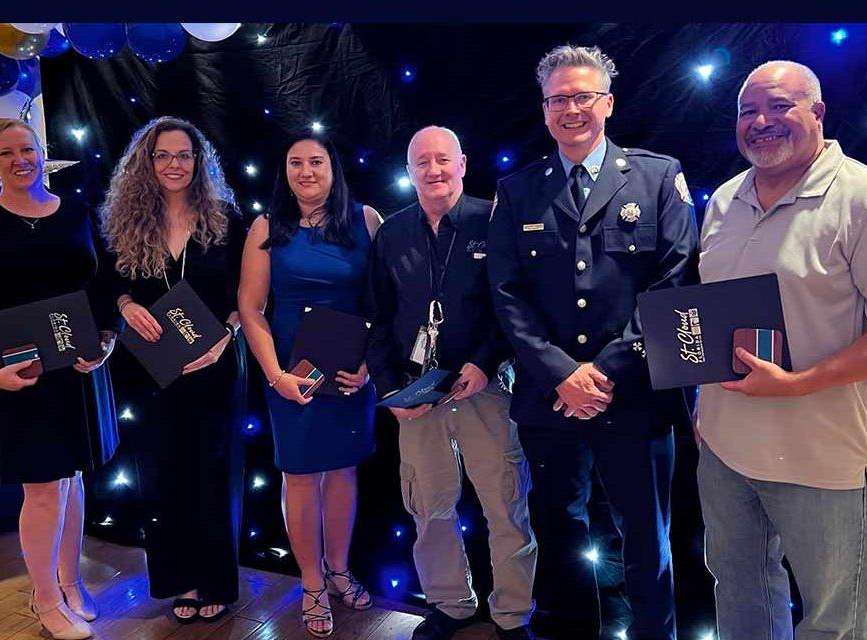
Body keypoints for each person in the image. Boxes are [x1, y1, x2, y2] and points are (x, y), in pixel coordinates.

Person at [486, 45, 699, 640]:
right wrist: (561, 373)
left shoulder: (658, 177)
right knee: (560, 534)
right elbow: (506, 292)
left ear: (608, 103)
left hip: (634, 394)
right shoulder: (517, 190)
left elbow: (675, 280)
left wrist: (604, 373)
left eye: (583, 96)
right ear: (544, 109)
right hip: (550, 401)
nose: (571, 109)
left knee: (647, 538)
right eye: (558, 99)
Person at [696, 60, 867, 640]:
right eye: (748, 111)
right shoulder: (726, 199)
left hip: (824, 460)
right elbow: (717, 315)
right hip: (725, 451)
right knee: (741, 597)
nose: (761, 121)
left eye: (779, 106)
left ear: (818, 112)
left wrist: (798, 384)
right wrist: (705, 408)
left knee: (834, 622)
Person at [366, 126, 537, 640]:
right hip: (418, 394)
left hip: (487, 387)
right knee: (429, 508)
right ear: (409, 172)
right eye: (422, 162)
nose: (433, 170)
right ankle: (450, 606)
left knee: (505, 506)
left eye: (443, 159)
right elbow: (377, 315)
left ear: (462, 163)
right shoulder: (392, 233)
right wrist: (389, 390)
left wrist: (485, 362)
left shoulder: (494, 219)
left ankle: (513, 616)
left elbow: (515, 306)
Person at [0, 118, 118, 640]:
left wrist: (106, 342)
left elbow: (103, 287)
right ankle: (45, 598)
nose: (20, 160)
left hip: (76, 366)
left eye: (27, 149)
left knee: (71, 479)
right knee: (43, 488)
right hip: (16, 371)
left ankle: (70, 582)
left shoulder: (76, 211)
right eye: (6, 153)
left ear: (42, 152)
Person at [100, 116, 246, 624]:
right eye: (162, 155)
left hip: (213, 364)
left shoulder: (227, 219)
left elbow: (248, 294)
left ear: (199, 161)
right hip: (149, 369)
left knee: (212, 473)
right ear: (147, 161)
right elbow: (106, 285)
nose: (173, 164)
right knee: (162, 474)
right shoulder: (124, 220)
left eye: (184, 155)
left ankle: (216, 581)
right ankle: (179, 579)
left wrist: (227, 336)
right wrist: (125, 305)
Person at [238, 132, 380, 638]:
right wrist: (275, 375)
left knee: (343, 471)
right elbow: (251, 308)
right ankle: (312, 582)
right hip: (290, 372)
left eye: (316, 162)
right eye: (295, 163)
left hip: (350, 370)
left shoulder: (366, 220)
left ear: (333, 168)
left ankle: (339, 570)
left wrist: (370, 365)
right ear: (285, 171)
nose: (306, 172)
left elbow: (384, 301)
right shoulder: (266, 226)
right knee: (299, 475)